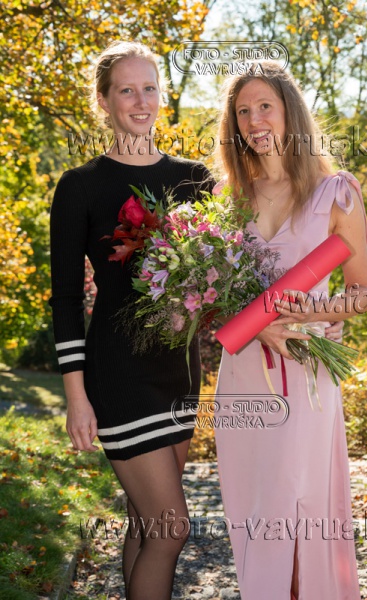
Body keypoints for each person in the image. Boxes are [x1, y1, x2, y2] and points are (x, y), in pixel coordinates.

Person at [49, 41, 214, 600]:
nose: (141, 101)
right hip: (118, 373)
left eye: (149, 88)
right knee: (172, 528)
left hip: (180, 373)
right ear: (104, 101)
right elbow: (66, 300)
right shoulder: (80, 186)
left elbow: (226, 268)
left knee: (147, 523)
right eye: (126, 90)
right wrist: (77, 398)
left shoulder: (195, 179)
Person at [213, 61, 367, 599]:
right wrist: (247, 322)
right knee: (253, 507)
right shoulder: (229, 196)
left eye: (265, 106)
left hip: (304, 372)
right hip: (242, 373)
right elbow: (211, 295)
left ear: (290, 113)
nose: (254, 120)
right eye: (243, 111)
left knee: (296, 500)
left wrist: (309, 311)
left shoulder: (336, 192)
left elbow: (362, 293)